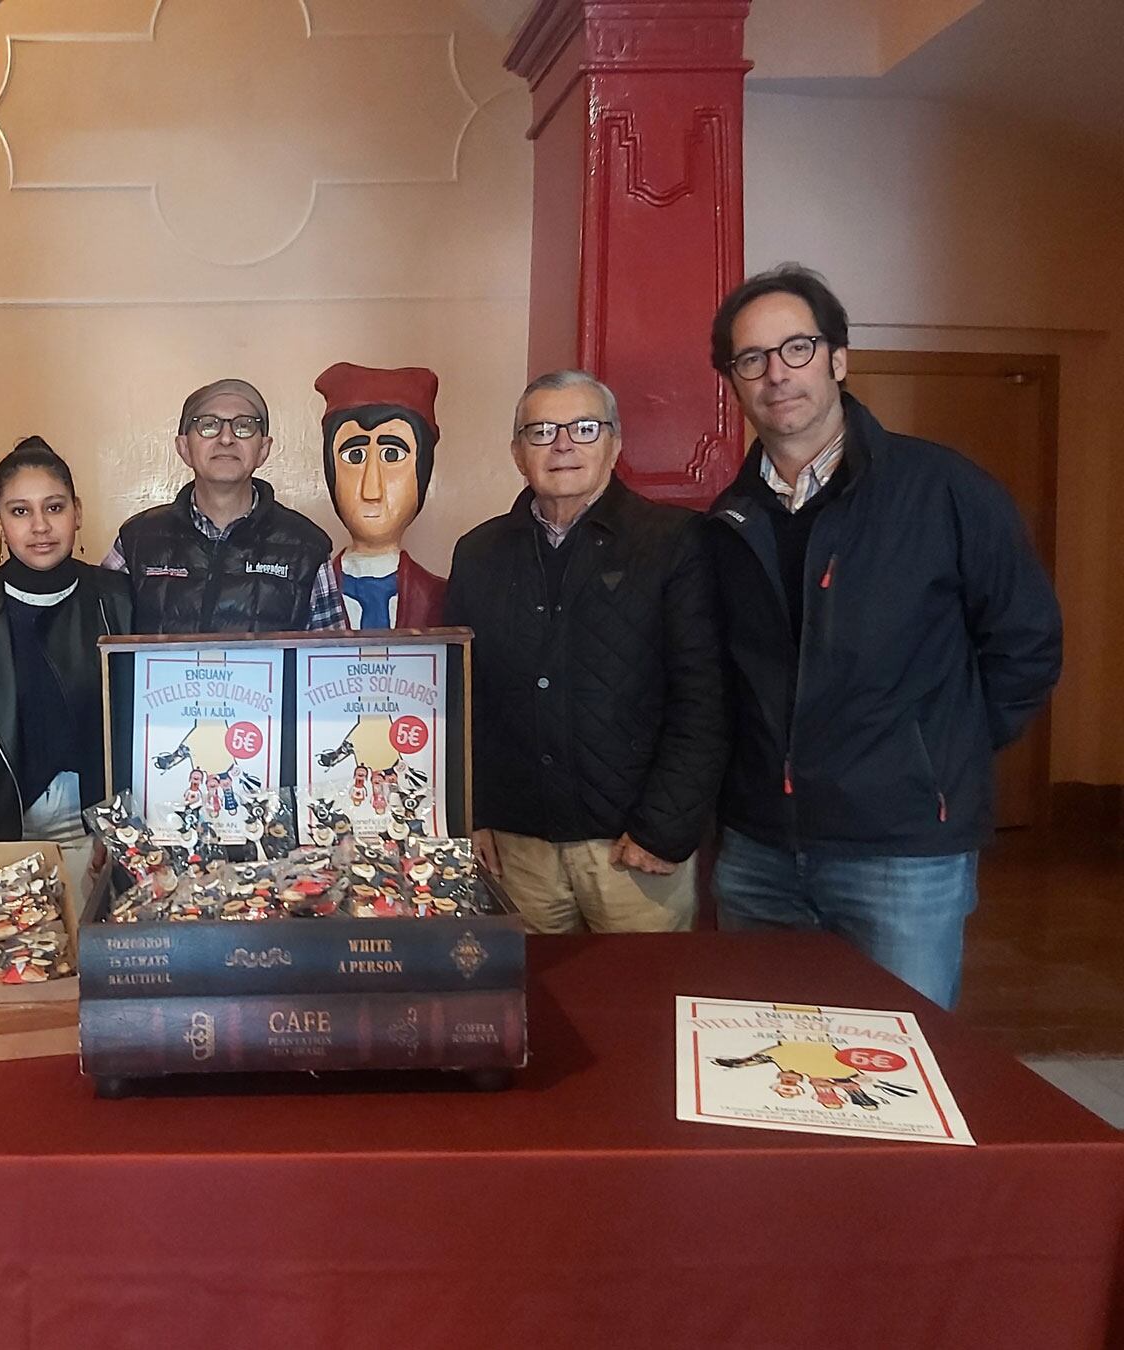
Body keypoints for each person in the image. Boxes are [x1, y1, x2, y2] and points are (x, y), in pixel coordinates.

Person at [705, 264, 1062, 1007]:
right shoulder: (726, 520)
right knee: (766, 1074)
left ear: (839, 358)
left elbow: (1026, 643)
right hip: (758, 852)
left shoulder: (943, 489)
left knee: (900, 1080)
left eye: (797, 348)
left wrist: (933, 749)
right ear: (733, 382)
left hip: (902, 855)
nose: (777, 374)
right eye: (752, 359)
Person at [445, 370, 727, 934]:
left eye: (584, 427)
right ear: (518, 452)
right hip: (516, 848)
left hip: (632, 848)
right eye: (542, 430)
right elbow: (461, 697)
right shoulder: (478, 553)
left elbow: (705, 698)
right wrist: (469, 817)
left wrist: (663, 829)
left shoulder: (674, 543)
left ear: (615, 442)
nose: (563, 444)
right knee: (531, 1012)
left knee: (634, 1012)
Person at [0, 437, 132, 844]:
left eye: (54, 507)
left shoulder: (120, 601)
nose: (40, 526)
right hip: (6, 835)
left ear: (78, 512)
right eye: (20, 511)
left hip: (110, 832)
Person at [102, 377, 346, 633]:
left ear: (263, 449)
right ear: (184, 447)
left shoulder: (307, 546)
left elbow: (327, 659)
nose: (226, 438)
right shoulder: (136, 540)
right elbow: (100, 637)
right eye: (208, 425)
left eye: (244, 426)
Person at [314, 361, 448, 629]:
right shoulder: (307, 595)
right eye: (354, 456)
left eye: (392, 455)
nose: (371, 489)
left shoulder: (444, 599)